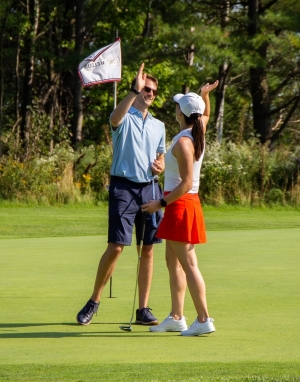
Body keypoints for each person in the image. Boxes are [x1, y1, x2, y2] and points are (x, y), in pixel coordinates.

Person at [76, 63, 165, 326]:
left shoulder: (159, 125)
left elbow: (160, 155)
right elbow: (114, 119)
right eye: (146, 89)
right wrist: (131, 90)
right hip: (123, 188)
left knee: (147, 249)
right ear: (138, 90)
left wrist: (160, 164)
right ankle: (94, 301)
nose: (149, 94)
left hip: (149, 188)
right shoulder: (124, 115)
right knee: (116, 247)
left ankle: (143, 309)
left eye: (153, 91)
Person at [141, 80, 219, 336]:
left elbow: (186, 184)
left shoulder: (185, 142)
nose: (174, 109)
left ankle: (204, 319)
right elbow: (206, 114)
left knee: (189, 265)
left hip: (180, 204)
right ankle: (177, 316)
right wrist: (205, 95)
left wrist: (159, 204)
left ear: (182, 114)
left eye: (177, 106)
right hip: (182, 204)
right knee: (173, 263)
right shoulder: (197, 129)